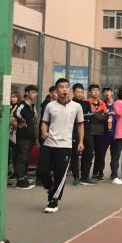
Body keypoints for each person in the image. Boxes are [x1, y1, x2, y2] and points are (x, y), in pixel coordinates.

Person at [36, 78, 84, 213]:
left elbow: (80, 125)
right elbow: (44, 122)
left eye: (66, 87)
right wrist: (44, 131)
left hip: (65, 146)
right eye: (61, 87)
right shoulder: (50, 106)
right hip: (49, 143)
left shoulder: (76, 106)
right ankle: (50, 187)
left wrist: (81, 142)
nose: (64, 89)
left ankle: (54, 201)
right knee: (41, 171)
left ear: (69, 89)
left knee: (60, 175)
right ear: (56, 90)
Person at [12, 85, 38, 189]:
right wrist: (22, 120)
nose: (34, 94)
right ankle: (20, 180)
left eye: (36, 92)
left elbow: (33, 119)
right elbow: (16, 113)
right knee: (21, 158)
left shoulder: (32, 106)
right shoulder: (22, 104)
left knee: (25, 158)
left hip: (30, 136)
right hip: (23, 136)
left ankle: (24, 177)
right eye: (32, 92)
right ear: (26, 93)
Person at [70, 83, 95, 185]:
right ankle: (76, 177)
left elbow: (90, 117)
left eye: (81, 92)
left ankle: (85, 177)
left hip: (87, 131)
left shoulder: (86, 104)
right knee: (74, 155)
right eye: (78, 92)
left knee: (89, 153)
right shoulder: (70, 104)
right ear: (73, 92)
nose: (80, 94)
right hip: (74, 131)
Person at [88, 85, 112, 180]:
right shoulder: (87, 103)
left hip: (101, 132)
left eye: (97, 90)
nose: (96, 92)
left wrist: (95, 115)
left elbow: (106, 117)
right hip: (90, 132)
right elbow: (89, 117)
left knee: (100, 154)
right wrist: (100, 116)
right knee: (89, 154)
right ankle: (85, 174)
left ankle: (98, 173)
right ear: (90, 92)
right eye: (93, 90)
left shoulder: (102, 103)